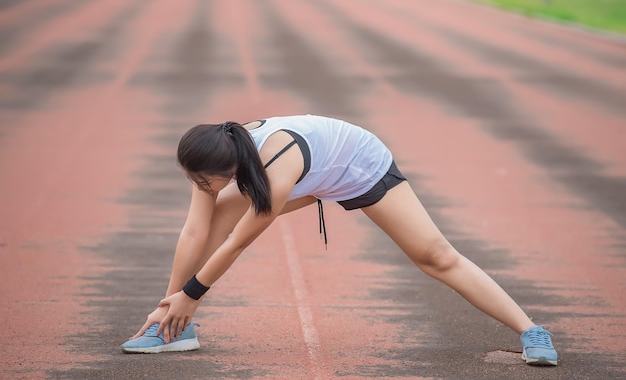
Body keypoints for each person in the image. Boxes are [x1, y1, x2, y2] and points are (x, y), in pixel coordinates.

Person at [121, 114, 558, 366]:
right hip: (311, 172)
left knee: (435, 257)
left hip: (357, 167)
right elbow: (195, 231)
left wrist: (192, 294)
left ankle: (532, 331)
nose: (197, 185)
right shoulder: (215, 156)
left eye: (201, 181)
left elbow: (238, 242)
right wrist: (169, 303)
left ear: (229, 169)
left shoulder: (276, 168)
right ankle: (170, 331)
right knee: (210, 222)